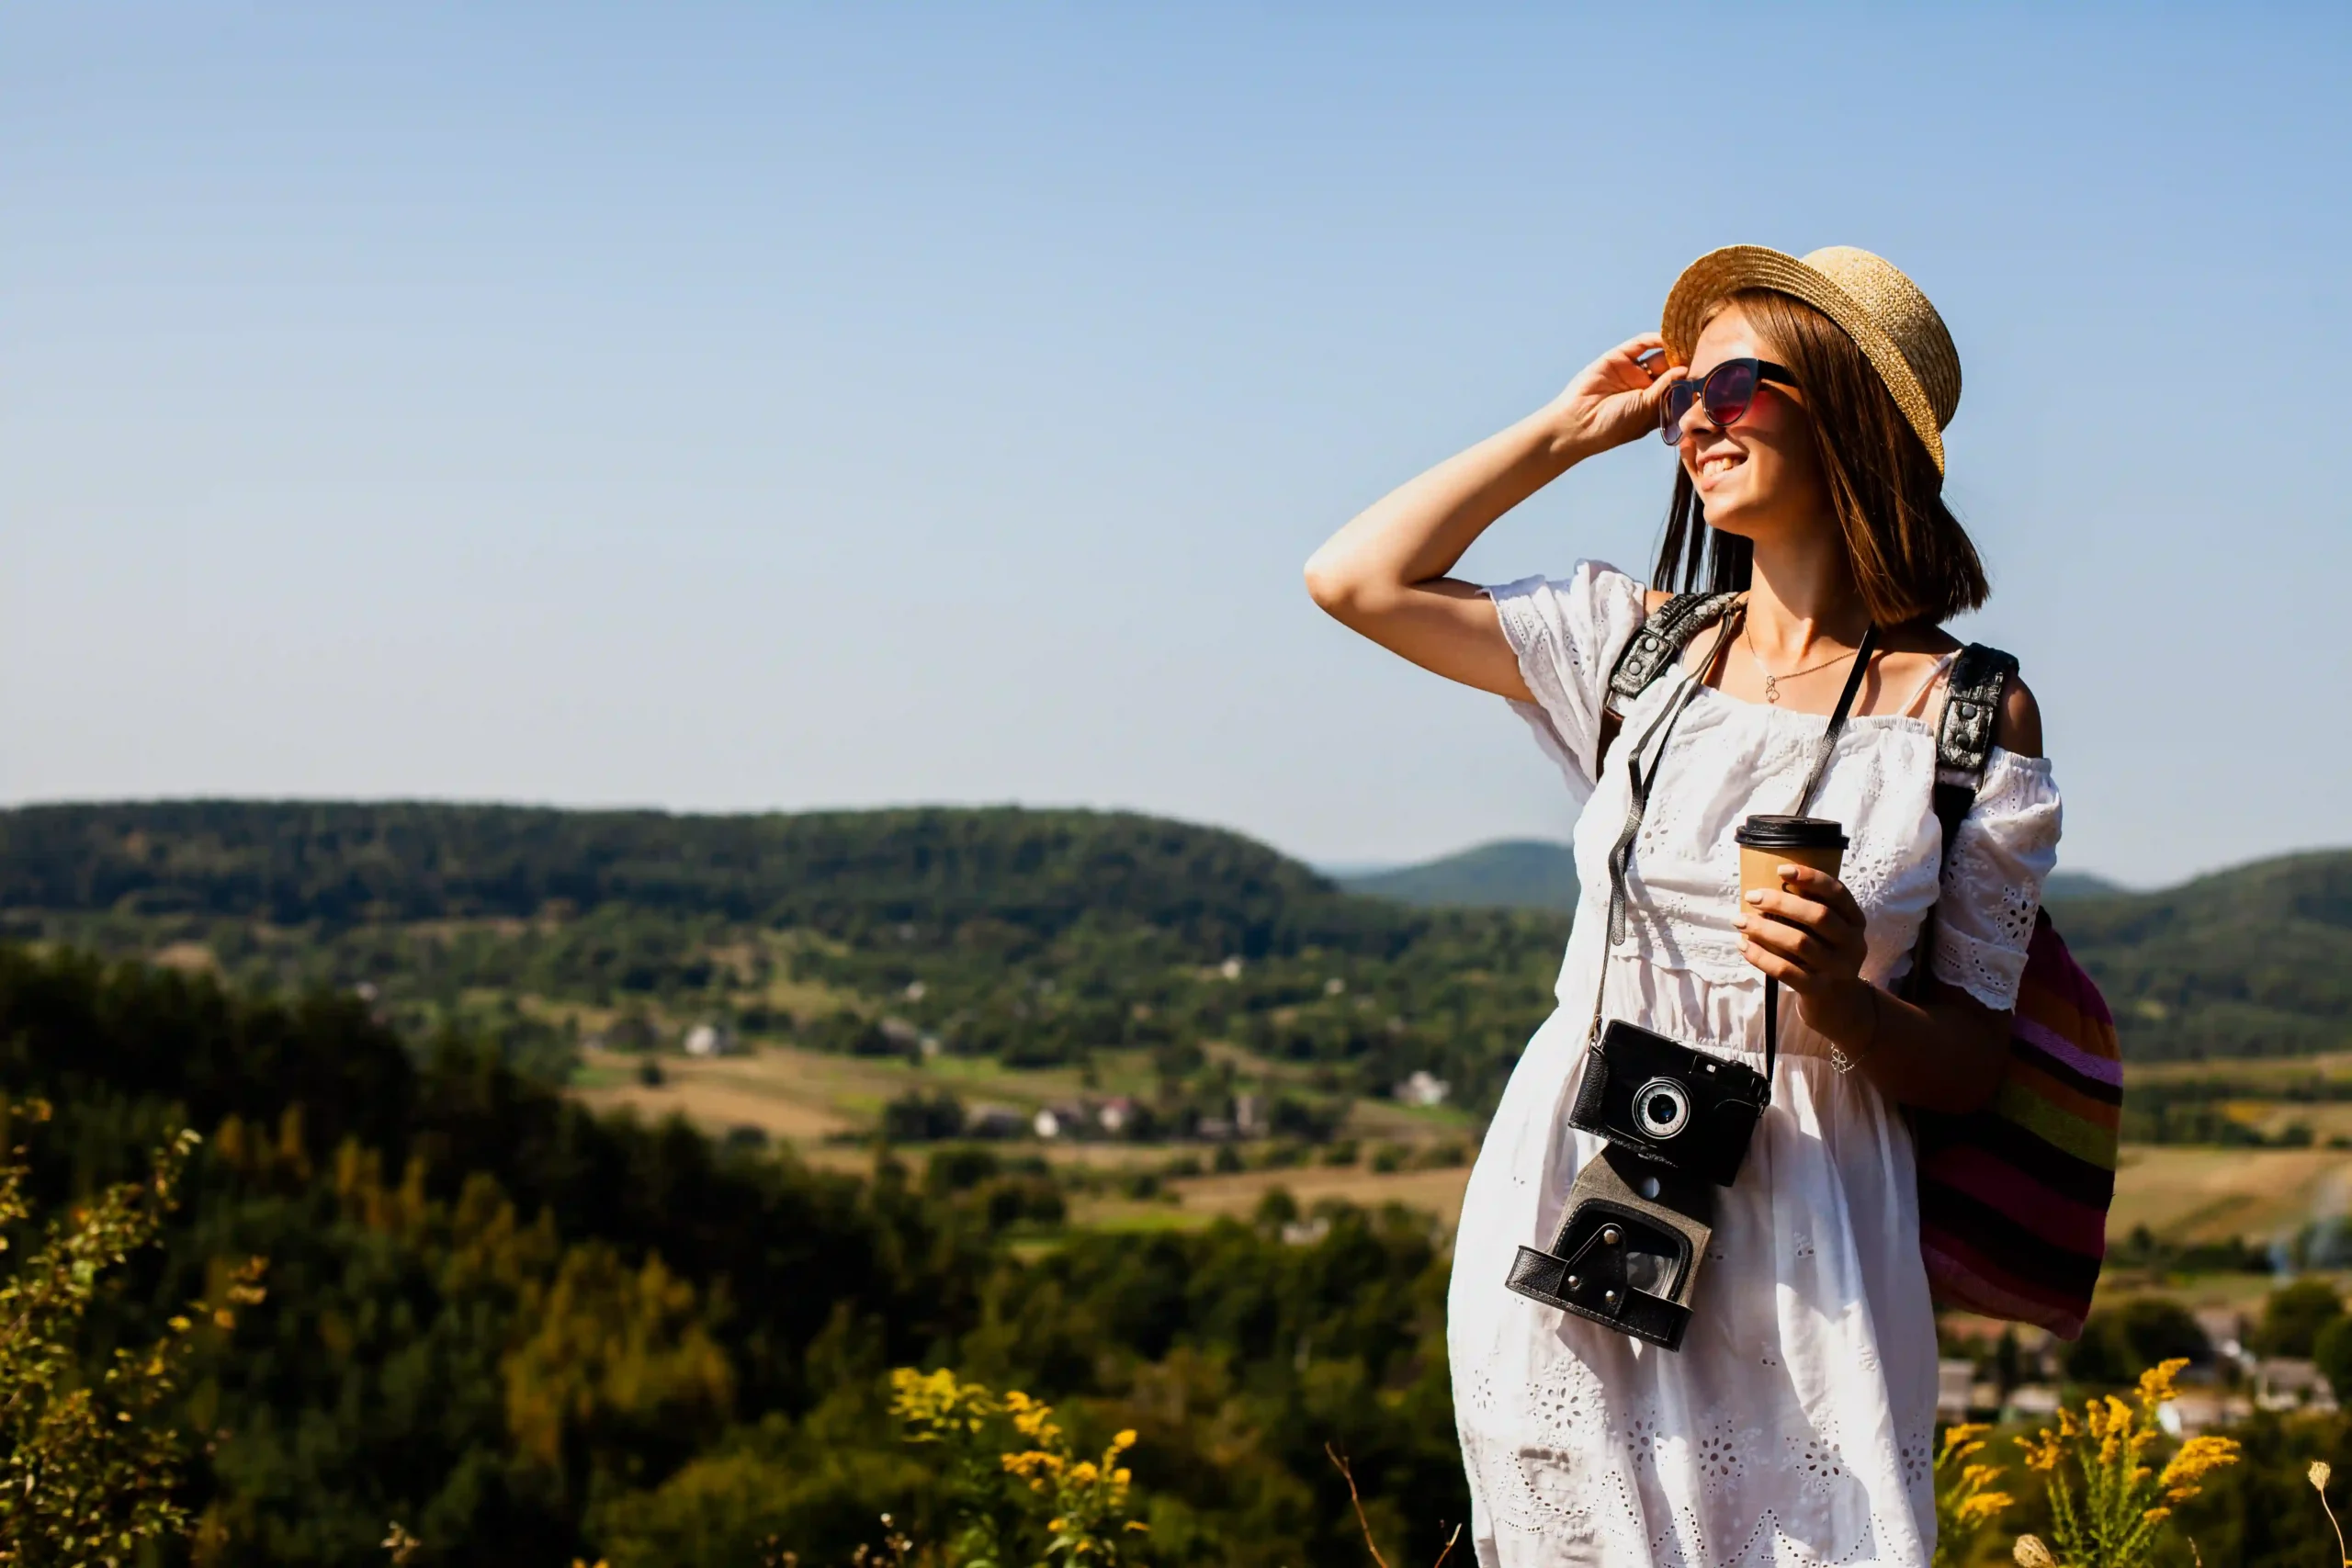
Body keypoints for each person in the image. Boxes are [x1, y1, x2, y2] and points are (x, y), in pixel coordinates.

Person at [1304, 246, 2059, 1567]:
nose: (1696, 415)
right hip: (1580, 1198)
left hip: (1814, 1243)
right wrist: (1561, 430)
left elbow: (1973, 1058)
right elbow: (1355, 579)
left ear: (1851, 410)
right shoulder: (1639, 649)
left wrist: (1844, 1004)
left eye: (1737, 384)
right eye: (1680, 396)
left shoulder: (1968, 712)